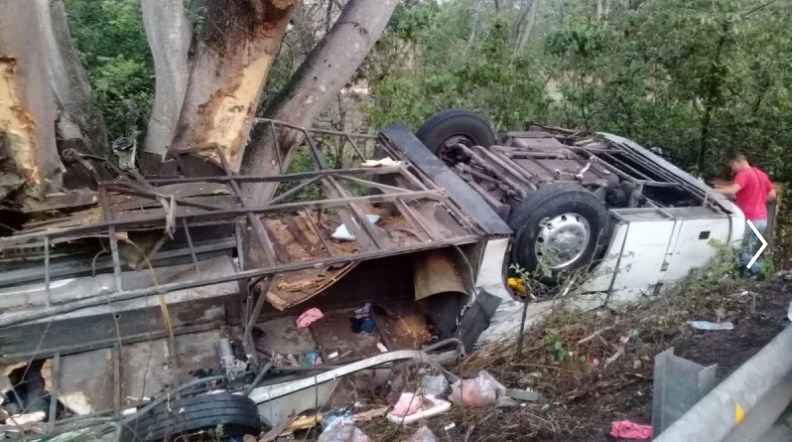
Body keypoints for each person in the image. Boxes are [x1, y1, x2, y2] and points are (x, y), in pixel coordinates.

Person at [714, 153, 776, 273]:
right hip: (762, 219)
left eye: (732, 166)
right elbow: (772, 194)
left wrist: (711, 190)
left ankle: (760, 272)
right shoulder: (761, 174)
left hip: (749, 219)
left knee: (739, 251)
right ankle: (748, 277)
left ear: (735, 162)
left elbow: (732, 190)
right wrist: (758, 199)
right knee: (749, 251)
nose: (732, 169)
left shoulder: (743, 174)